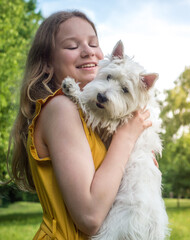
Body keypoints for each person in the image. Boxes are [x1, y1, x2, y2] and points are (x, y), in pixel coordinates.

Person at [7, 10, 153, 239]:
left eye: (94, 44)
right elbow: (90, 217)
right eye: (72, 46)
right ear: (47, 64)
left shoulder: (88, 116)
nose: (88, 51)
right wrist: (126, 136)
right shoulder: (61, 108)